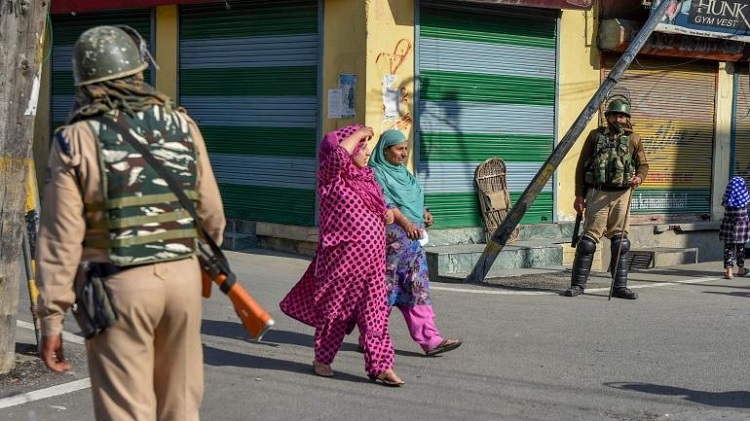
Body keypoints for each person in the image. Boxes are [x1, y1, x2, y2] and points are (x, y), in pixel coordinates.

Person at [35, 25, 225, 420]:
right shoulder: (183, 125)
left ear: (84, 80)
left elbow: (61, 237)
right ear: (139, 70)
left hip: (119, 285)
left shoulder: (76, 138)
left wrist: (51, 315)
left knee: (126, 408)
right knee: (181, 406)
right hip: (184, 280)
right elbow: (212, 215)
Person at [279, 125, 404, 387]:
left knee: (376, 314)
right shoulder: (331, 177)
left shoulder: (367, 177)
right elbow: (337, 155)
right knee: (335, 313)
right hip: (342, 262)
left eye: (367, 146)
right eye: (362, 146)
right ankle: (322, 360)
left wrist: (388, 216)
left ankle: (381, 366)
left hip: (372, 262)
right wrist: (359, 132)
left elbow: (380, 209)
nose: (367, 151)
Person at [368, 129, 462, 356]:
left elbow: (413, 198)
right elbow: (386, 203)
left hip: (413, 244)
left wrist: (423, 213)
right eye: (399, 149)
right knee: (383, 292)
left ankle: (431, 340)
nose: (403, 154)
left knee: (418, 289)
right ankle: (370, 337)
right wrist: (406, 223)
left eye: (405, 149)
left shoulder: (403, 173)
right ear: (385, 150)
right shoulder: (374, 173)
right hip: (389, 244)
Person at [563, 98, 648, 300]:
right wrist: (579, 195)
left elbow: (643, 165)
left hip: (623, 194)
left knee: (620, 242)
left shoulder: (634, 139)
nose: (618, 119)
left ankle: (620, 287)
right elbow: (581, 166)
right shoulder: (595, 136)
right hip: (597, 192)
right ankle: (577, 285)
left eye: (622, 116)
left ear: (627, 118)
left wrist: (639, 178)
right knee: (588, 241)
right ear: (607, 116)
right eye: (615, 115)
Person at [719, 176, 750, 279]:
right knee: (741, 248)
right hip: (741, 228)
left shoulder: (727, 198)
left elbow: (724, 203)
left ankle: (729, 272)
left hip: (728, 227)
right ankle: (741, 270)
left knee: (728, 248)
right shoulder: (744, 198)